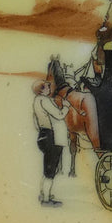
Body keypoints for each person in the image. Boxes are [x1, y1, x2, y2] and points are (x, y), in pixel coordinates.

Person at [31, 78, 69, 206]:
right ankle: (46, 199)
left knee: (47, 168)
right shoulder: (45, 100)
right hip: (50, 137)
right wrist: (66, 107)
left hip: (42, 135)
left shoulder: (36, 101)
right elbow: (59, 115)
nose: (49, 88)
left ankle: (44, 194)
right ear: (42, 90)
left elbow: (35, 122)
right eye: (47, 86)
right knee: (51, 170)